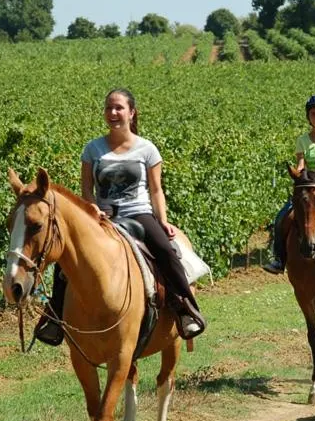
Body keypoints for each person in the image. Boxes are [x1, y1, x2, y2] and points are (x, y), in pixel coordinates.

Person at [35, 88, 205, 345]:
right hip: (104, 218)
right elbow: (86, 189)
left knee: (166, 251)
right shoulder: (93, 149)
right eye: (109, 108)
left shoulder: (147, 149)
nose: (113, 113)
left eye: (119, 108)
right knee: (65, 261)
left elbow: (156, 189)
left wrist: (163, 220)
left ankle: (184, 308)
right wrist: (92, 208)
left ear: (131, 113)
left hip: (139, 214)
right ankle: (54, 317)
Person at [262, 94, 315, 274]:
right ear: (308, 117)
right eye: (313, 114)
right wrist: (297, 172)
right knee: (282, 217)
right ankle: (279, 258)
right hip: (308, 187)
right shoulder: (302, 140)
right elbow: (301, 164)